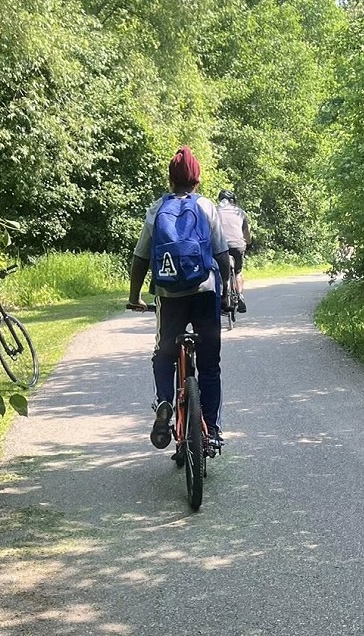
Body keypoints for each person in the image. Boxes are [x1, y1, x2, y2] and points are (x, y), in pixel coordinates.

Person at [128, 146, 231, 451]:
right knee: (210, 365)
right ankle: (211, 430)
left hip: (169, 295)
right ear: (197, 179)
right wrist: (225, 293)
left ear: (170, 179)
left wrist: (135, 297)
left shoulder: (156, 209)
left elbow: (140, 258)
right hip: (204, 293)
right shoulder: (207, 207)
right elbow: (222, 255)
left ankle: (165, 403)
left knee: (164, 353)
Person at [216, 190, 251, 313]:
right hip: (237, 245)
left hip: (220, 246)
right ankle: (240, 295)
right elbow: (246, 233)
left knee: (218, 271)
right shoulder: (240, 212)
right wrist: (248, 243)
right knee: (238, 271)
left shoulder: (215, 211)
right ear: (233, 201)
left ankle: (221, 296)